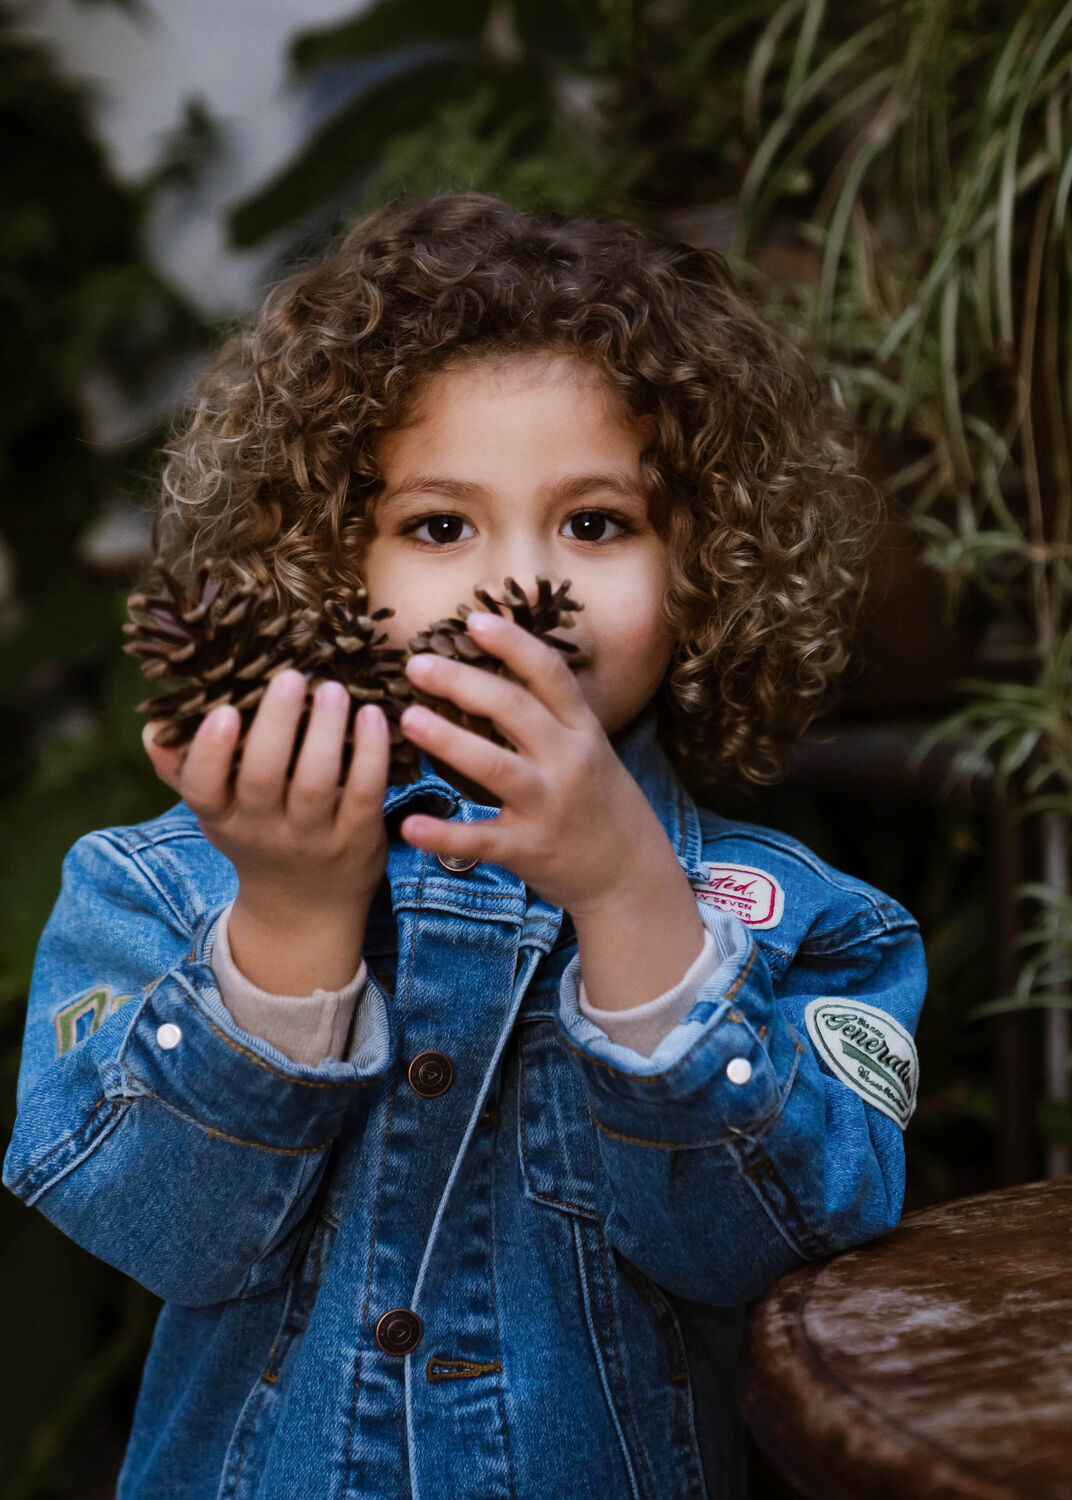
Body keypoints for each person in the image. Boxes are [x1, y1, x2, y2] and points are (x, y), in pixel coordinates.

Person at [3, 192, 925, 1500]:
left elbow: (770, 1250)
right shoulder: (155, 883)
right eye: (441, 527)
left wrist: (627, 896)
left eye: (596, 523)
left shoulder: (814, 925)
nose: (515, 592)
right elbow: (161, 1235)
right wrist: (289, 923)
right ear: (333, 563)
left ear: (708, 562)